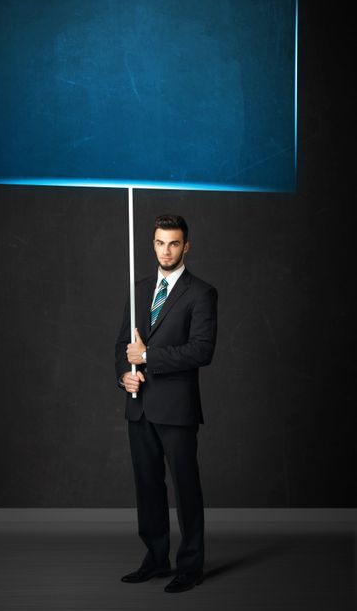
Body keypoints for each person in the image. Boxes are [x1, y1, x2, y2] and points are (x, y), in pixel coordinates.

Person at [115, 213, 218, 593]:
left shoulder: (201, 293)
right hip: (139, 405)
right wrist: (123, 374)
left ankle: (190, 566)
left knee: (185, 488)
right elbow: (121, 346)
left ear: (185, 246)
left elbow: (201, 351)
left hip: (176, 409)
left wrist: (149, 358)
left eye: (174, 243)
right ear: (152, 243)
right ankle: (156, 558)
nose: (166, 250)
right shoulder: (139, 288)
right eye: (160, 242)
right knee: (148, 486)